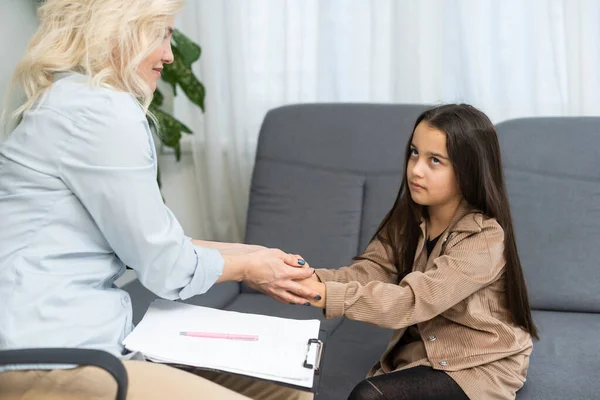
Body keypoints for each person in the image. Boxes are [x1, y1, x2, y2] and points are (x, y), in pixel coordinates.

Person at [0, 1, 318, 399]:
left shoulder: (74, 101)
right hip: (50, 360)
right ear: (120, 29)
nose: (169, 54)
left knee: (289, 391)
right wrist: (250, 268)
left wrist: (257, 255)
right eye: (162, 33)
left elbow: (150, 245)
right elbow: (167, 266)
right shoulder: (101, 111)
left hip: (79, 344)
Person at [297, 104, 539, 400]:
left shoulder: (484, 237)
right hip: (423, 353)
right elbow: (369, 271)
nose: (416, 169)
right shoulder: (408, 218)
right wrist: (301, 278)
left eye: (434, 160)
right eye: (414, 153)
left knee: (368, 396)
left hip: (479, 363)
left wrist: (320, 293)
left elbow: (411, 302)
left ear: (468, 170)